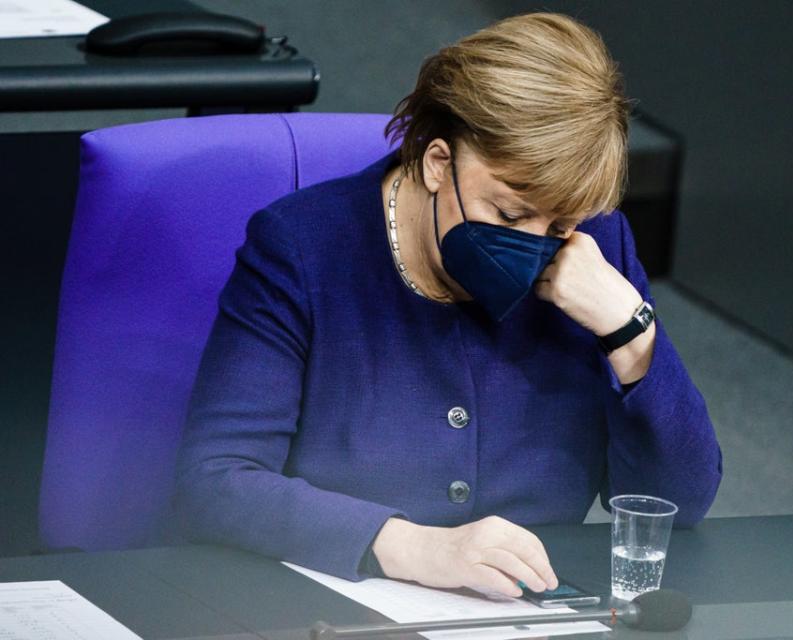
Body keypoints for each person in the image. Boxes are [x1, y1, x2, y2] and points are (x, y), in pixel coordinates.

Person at [173, 12, 722, 599]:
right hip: (338, 602)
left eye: (559, 224)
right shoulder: (304, 249)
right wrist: (416, 547)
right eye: (510, 215)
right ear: (439, 162)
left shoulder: (597, 249)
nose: (536, 242)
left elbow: (678, 505)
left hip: (530, 608)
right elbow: (217, 481)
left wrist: (631, 332)